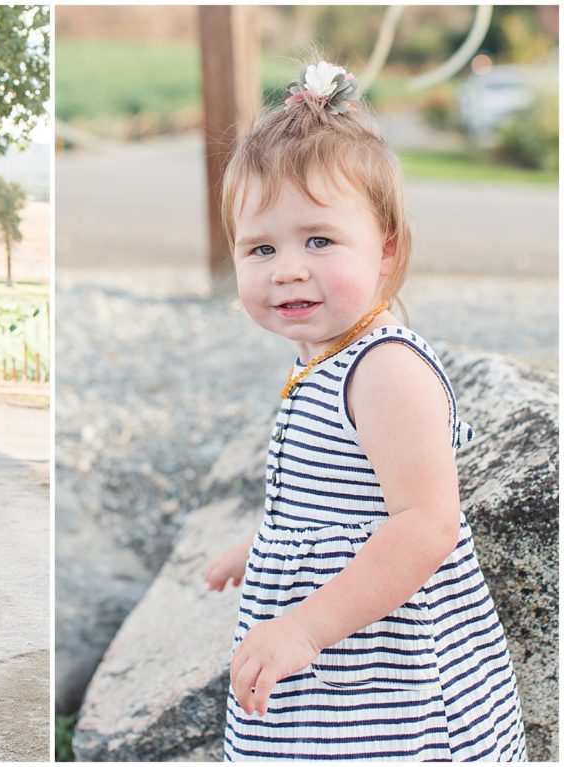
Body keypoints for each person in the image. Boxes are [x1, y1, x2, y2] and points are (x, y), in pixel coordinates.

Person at [205, 60, 526, 760]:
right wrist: (263, 547)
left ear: (387, 249)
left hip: (388, 671)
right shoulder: (318, 358)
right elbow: (333, 499)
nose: (288, 267)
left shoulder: (385, 368)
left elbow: (427, 522)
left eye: (318, 239)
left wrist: (306, 627)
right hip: (330, 672)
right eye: (261, 247)